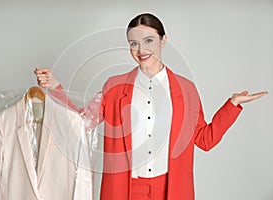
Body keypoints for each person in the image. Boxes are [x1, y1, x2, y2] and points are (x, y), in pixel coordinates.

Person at [35, 13, 267, 200]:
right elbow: (81, 122)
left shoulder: (186, 90)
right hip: (124, 190)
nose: (141, 50)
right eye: (133, 43)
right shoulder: (114, 87)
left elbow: (205, 140)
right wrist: (56, 87)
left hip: (172, 190)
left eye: (148, 41)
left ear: (163, 40)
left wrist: (232, 105)